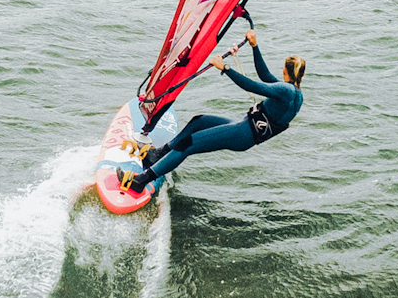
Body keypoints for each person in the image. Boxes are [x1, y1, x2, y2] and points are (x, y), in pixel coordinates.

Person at [118, 30, 305, 193]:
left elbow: (255, 86)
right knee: (200, 121)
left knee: (187, 144)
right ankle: (158, 154)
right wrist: (254, 46)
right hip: (243, 128)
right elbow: (265, 76)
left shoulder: (285, 91)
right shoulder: (295, 94)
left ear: (285, 71)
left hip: (243, 134)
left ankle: (140, 181)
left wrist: (226, 68)